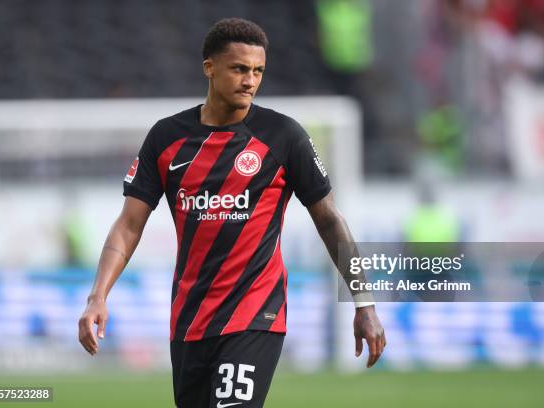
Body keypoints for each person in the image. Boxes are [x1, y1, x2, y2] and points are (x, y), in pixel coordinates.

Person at [78, 17, 385, 408]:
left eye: (257, 71)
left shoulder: (283, 136)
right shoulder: (167, 138)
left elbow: (329, 219)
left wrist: (364, 303)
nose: (250, 81)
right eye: (239, 69)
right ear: (210, 68)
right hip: (189, 321)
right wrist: (97, 296)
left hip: (255, 314)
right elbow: (129, 225)